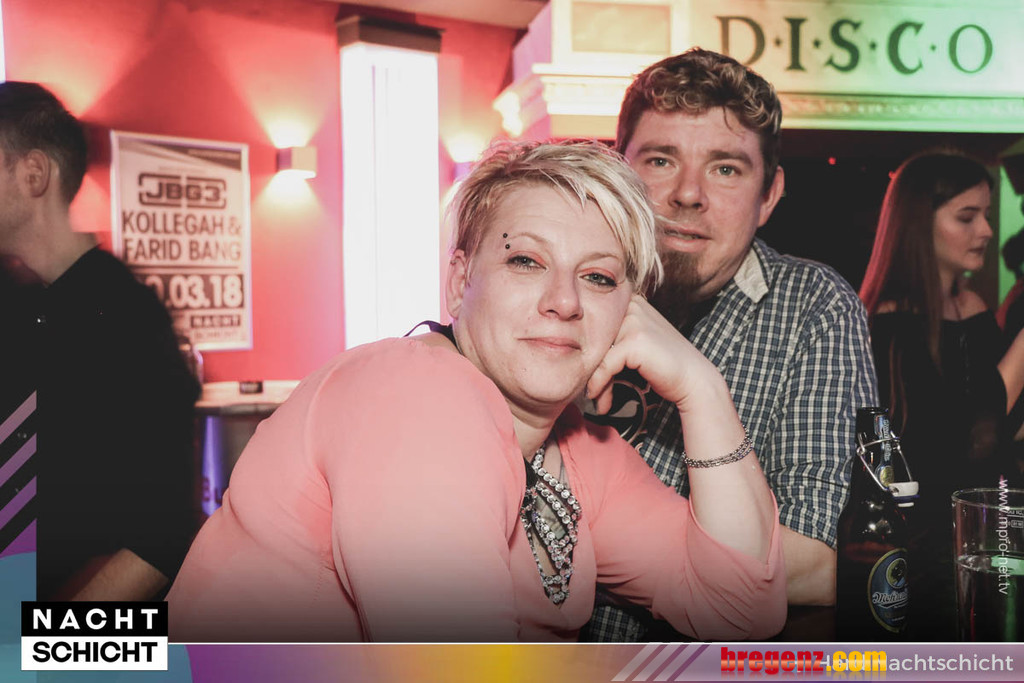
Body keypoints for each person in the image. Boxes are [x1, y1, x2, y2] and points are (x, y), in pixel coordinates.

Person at [166, 140, 786, 642]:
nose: (564, 301)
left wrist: (701, 387)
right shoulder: (417, 396)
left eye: (598, 277)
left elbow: (740, 615)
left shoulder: (575, 449)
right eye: (526, 261)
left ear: (630, 311)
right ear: (460, 283)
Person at [582, 48, 878, 642]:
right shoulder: (566, 285)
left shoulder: (812, 306)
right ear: (619, 171)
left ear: (768, 194)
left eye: (725, 168)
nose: (688, 193)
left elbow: (818, 563)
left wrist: (555, 536)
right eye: (661, 159)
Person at [0, 81, 200, 600]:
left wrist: (44, 641)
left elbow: (163, 536)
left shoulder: (127, 320)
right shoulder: (20, 301)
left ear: (33, 174)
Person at [859, 150, 1024, 639]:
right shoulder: (889, 325)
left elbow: (1006, 430)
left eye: (986, 215)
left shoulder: (972, 307)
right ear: (918, 224)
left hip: (987, 530)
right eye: (966, 217)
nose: (986, 231)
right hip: (925, 552)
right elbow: (967, 443)